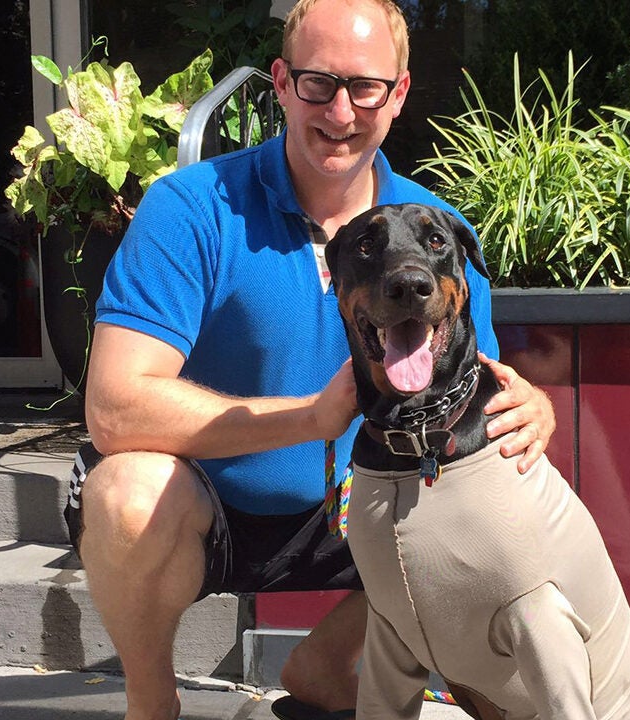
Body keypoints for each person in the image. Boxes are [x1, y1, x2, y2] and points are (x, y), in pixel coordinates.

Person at [65, 0, 556, 718]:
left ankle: (326, 665)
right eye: (317, 83)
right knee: (124, 494)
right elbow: (114, 407)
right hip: (209, 509)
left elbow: (471, 385)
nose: (341, 111)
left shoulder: (435, 229)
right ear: (282, 84)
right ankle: (152, 698)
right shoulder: (190, 207)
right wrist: (310, 417)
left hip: (365, 511)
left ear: (398, 95)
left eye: (365, 87)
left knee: (492, 488)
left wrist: (529, 402)